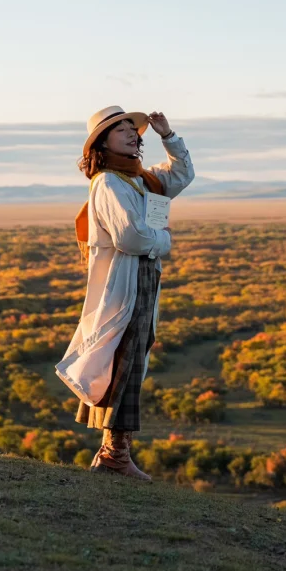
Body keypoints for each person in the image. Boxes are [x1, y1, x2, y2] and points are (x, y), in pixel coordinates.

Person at [57, 105, 194, 479]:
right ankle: (114, 454)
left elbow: (183, 174)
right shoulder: (109, 183)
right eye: (120, 129)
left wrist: (168, 136)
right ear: (103, 142)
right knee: (123, 360)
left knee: (133, 356)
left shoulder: (140, 180)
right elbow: (131, 237)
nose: (133, 133)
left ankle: (114, 452)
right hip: (126, 281)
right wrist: (163, 241)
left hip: (144, 276)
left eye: (133, 129)